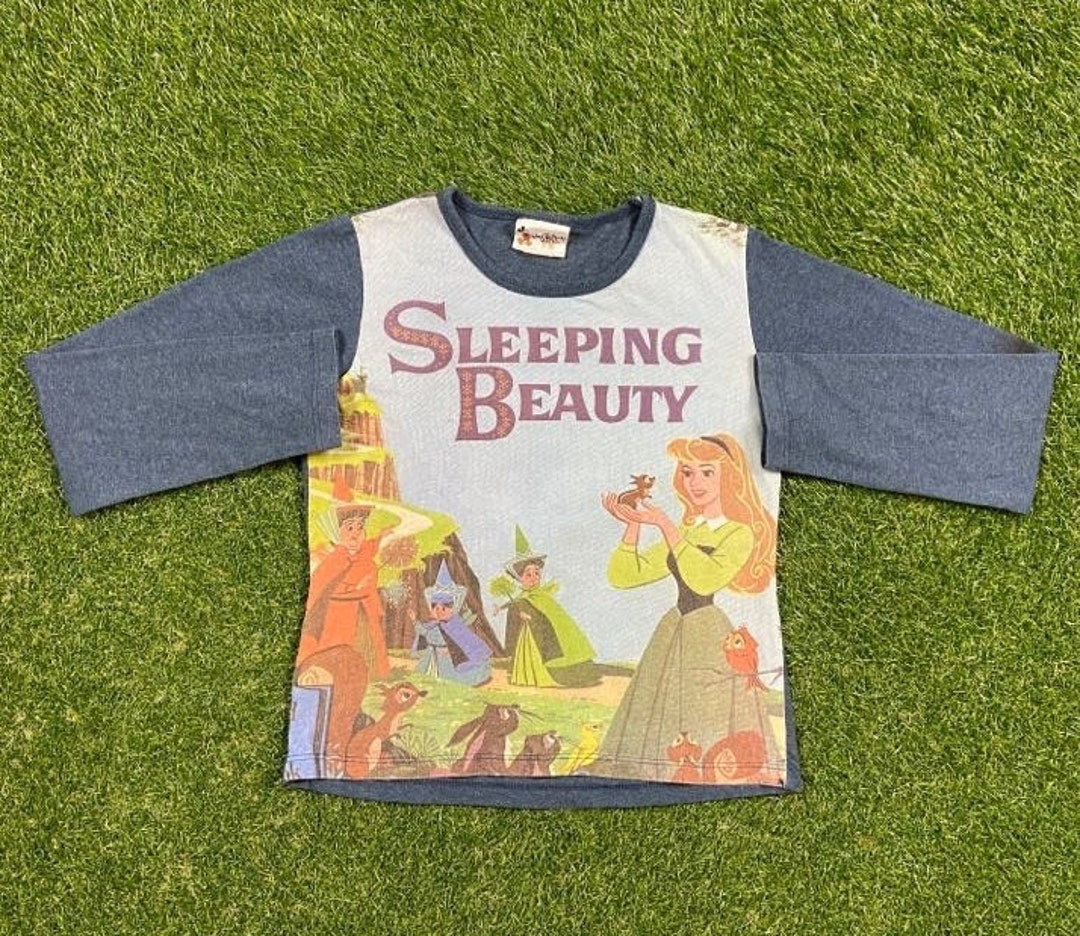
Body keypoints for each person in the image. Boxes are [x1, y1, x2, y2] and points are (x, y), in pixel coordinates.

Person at [594, 432, 780, 783]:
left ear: (729, 477)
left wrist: (665, 525)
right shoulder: (688, 530)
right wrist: (633, 526)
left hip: (708, 630)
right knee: (655, 703)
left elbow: (704, 580)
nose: (696, 482)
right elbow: (625, 575)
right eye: (688, 472)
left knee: (705, 707)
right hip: (674, 626)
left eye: (707, 472)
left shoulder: (738, 533)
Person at [490, 526, 597, 687]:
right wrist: (514, 613)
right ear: (520, 578)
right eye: (528, 574)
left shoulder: (543, 597)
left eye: (536, 573)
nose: (534, 577)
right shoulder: (523, 598)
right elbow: (516, 605)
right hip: (530, 637)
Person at [412, 560, 492, 686]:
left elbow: (463, 640)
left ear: (453, 608)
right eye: (435, 608)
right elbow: (424, 632)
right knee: (425, 675)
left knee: (450, 678)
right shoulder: (433, 625)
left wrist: (449, 650)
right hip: (433, 655)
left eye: (443, 608)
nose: (439, 612)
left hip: (448, 657)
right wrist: (414, 621)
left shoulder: (455, 625)